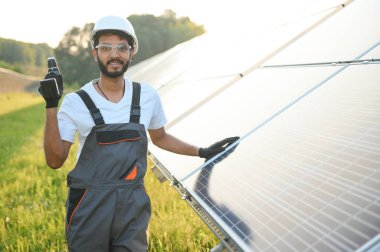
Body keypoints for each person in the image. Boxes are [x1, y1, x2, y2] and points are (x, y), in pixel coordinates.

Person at [39, 15, 239, 252]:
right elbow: (55, 160)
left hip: (132, 205)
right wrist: (51, 105)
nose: (115, 54)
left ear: (132, 52)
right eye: (106, 47)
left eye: (122, 47)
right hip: (89, 204)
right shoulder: (75, 102)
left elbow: (160, 137)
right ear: (95, 53)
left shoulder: (147, 96)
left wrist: (200, 151)